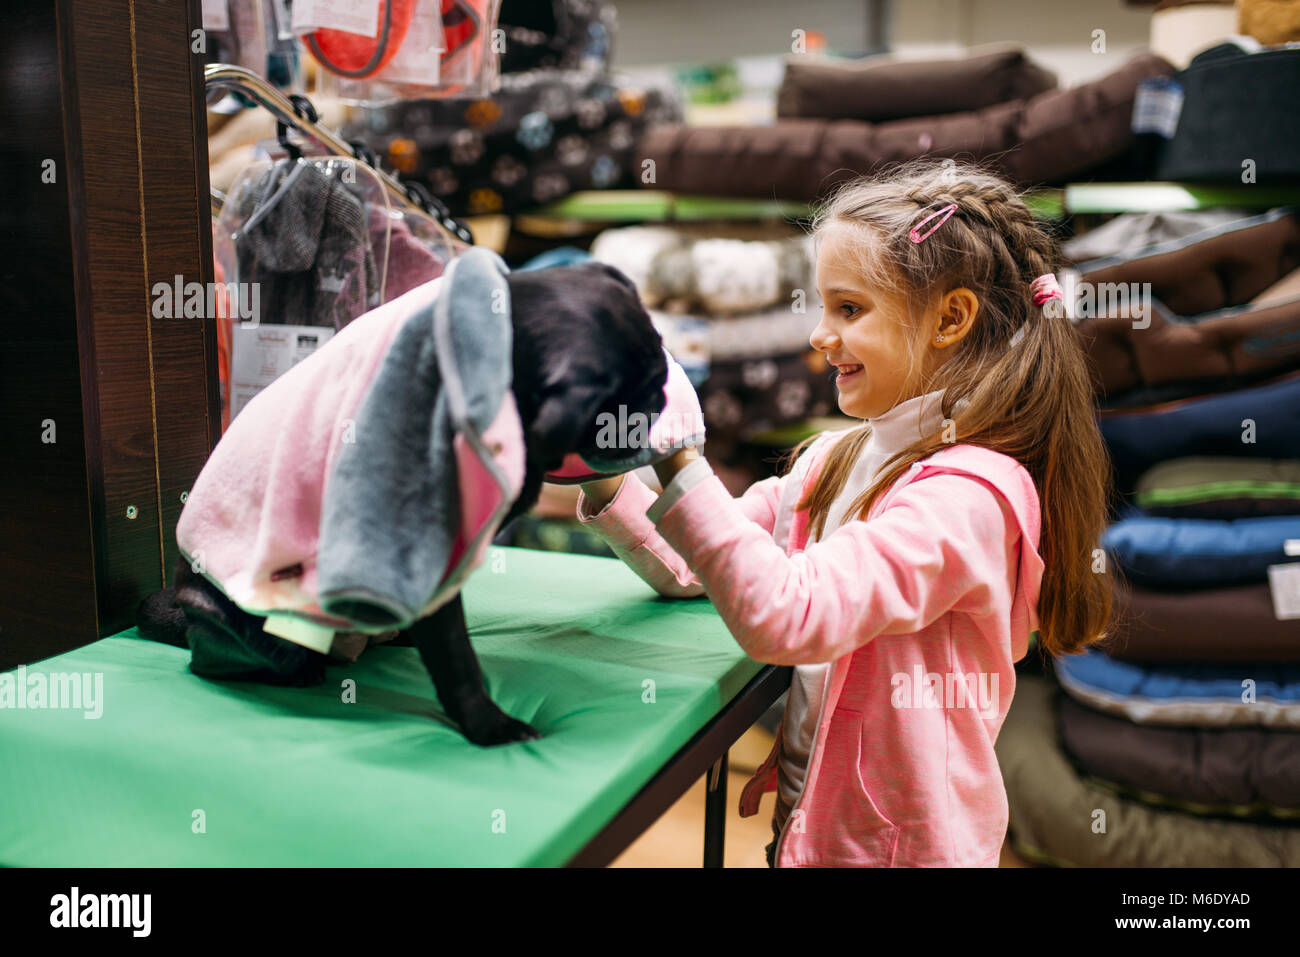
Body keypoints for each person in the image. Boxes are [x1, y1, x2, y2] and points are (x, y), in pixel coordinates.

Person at [575, 158, 1116, 867]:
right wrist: (604, 477)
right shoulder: (833, 460)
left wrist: (681, 456)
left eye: (849, 309)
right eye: (822, 306)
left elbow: (789, 616)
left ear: (951, 317)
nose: (819, 335)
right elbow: (696, 560)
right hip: (812, 824)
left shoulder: (967, 499)